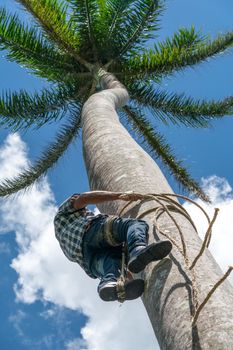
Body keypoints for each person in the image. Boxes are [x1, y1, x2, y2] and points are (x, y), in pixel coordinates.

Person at [54, 190, 172, 302]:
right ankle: (137, 249)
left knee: (113, 264)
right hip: (90, 231)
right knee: (133, 224)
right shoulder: (64, 213)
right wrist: (120, 195)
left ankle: (111, 283)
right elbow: (84, 198)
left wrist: (127, 279)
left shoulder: (63, 238)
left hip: (89, 260)